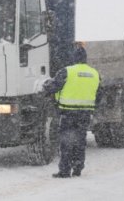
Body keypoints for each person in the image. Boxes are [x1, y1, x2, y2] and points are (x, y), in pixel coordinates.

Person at [43, 44, 101, 178]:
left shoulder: (67, 71)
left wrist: (46, 86)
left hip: (68, 113)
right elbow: (99, 94)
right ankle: (78, 168)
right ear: (85, 59)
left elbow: (53, 87)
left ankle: (64, 171)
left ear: (73, 58)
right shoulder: (94, 73)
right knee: (80, 141)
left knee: (66, 142)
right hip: (85, 113)